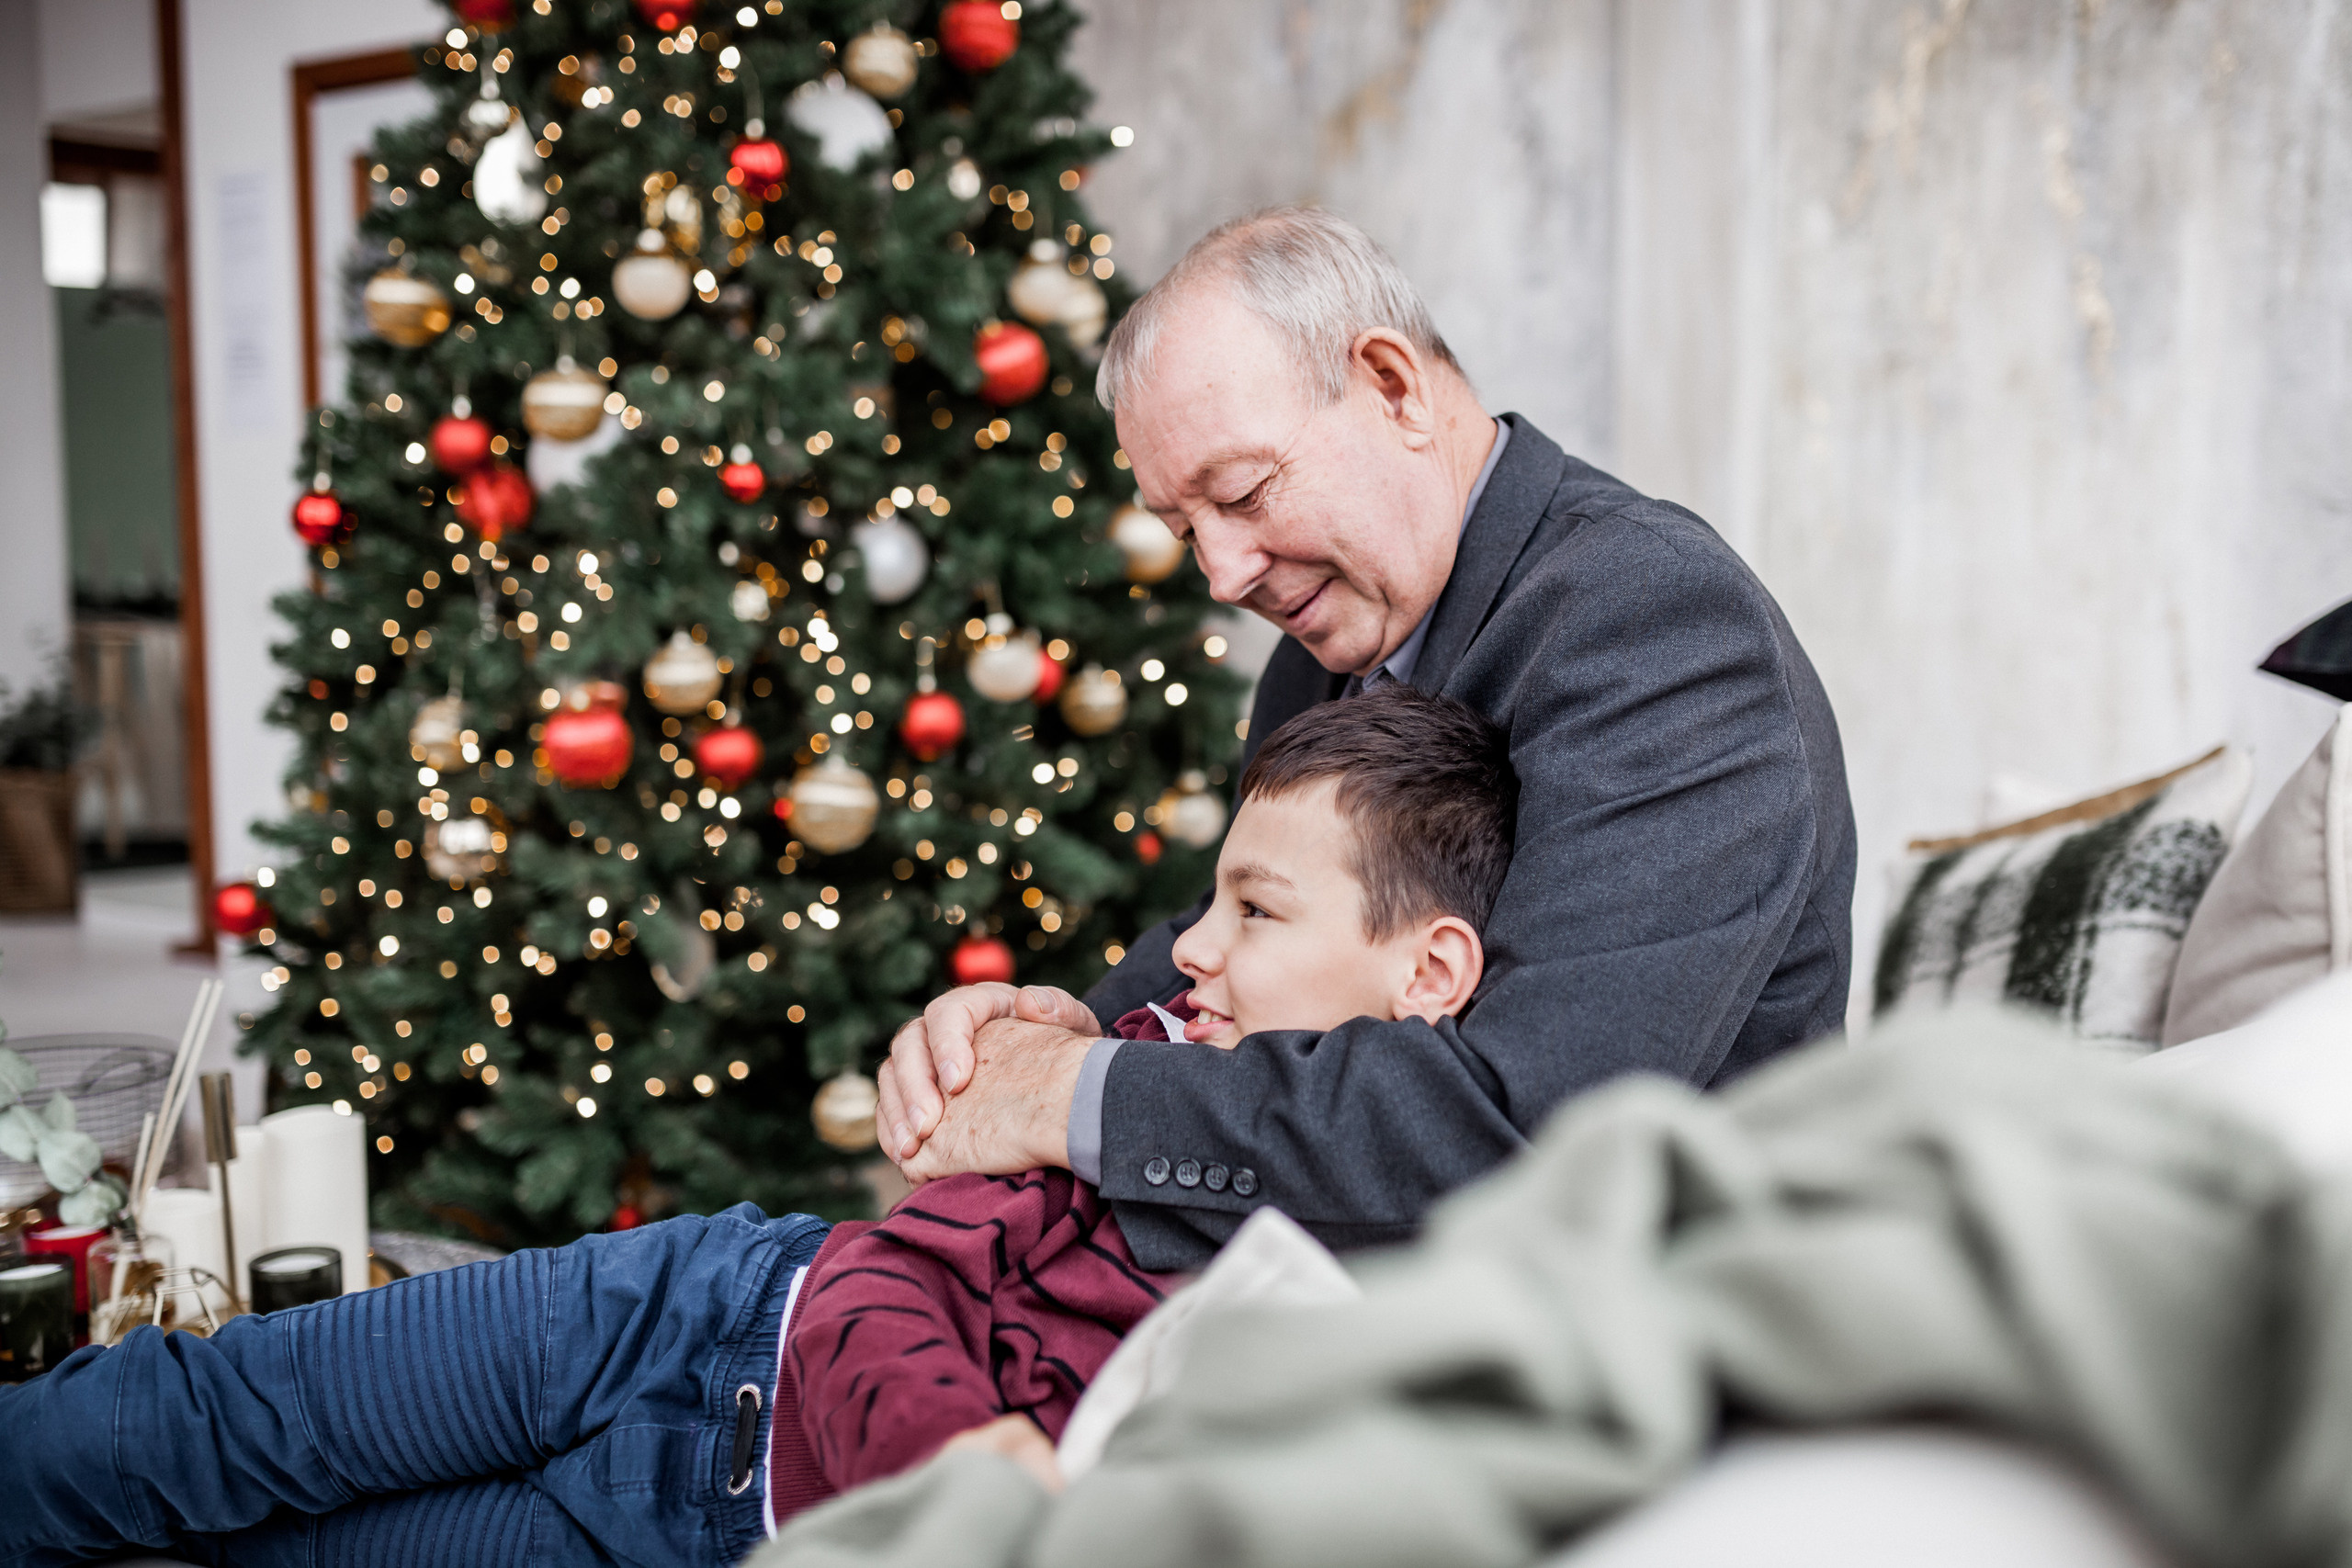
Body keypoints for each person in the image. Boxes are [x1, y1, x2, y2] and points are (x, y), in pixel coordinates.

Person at [1, 687, 1516, 1568]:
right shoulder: (1165, 1062)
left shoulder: (1386, 1259)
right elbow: (890, 1272)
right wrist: (964, 1474)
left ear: (1428, 969)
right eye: (1209, 899)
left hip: (709, 1535)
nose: (1189, 948)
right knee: (210, 1421)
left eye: (1255, 910)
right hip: (682, 1318)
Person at [876, 205, 1858, 1272]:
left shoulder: (1657, 620)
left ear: (1392, 386)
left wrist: (1070, 1094)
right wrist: (1024, 1042)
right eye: (1182, 530)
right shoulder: (1331, 651)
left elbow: (1529, 1130)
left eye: (1244, 495)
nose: (1221, 574)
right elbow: (1233, 940)